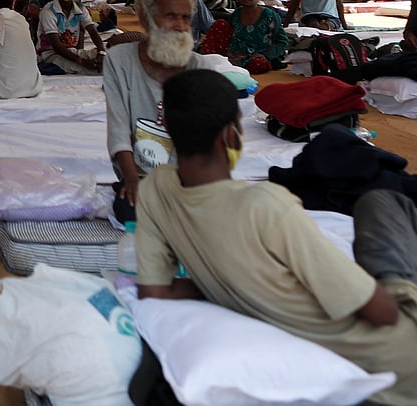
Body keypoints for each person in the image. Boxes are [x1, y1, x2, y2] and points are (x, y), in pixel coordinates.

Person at [135, 69, 417, 402]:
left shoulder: (154, 188)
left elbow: (154, 289)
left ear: (167, 127)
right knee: (385, 203)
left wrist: (226, 287)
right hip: (399, 357)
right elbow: (381, 312)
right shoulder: (265, 205)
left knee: (377, 202)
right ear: (231, 135)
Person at [103, 0, 215, 218]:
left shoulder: (201, 68)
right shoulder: (119, 60)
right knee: (129, 208)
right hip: (141, 174)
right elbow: (118, 127)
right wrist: (132, 180)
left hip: (189, 177)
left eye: (186, 18)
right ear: (146, 19)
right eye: (171, 16)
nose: (180, 26)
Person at [198, 0, 289, 73]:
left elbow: (282, 41)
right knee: (220, 24)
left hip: (257, 56)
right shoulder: (236, 14)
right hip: (234, 54)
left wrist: (266, 55)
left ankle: (228, 65)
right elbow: (227, 35)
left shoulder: (270, 16)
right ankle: (212, 60)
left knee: (258, 64)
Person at [37, 0, 107, 75]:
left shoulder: (80, 8)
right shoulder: (48, 11)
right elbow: (57, 46)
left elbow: (92, 30)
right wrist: (81, 61)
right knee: (93, 70)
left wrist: (101, 52)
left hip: (72, 51)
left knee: (109, 55)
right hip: (51, 54)